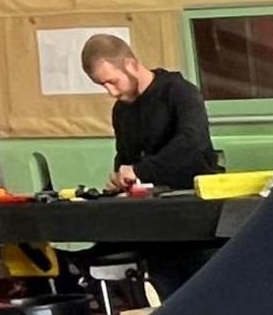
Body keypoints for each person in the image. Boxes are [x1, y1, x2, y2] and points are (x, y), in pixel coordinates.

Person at [81, 32, 216, 195]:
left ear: (131, 65)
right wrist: (119, 177)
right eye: (103, 85)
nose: (111, 92)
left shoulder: (179, 91)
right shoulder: (121, 109)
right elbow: (124, 157)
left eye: (113, 82)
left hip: (192, 196)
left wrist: (140, 170)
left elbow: (192, 143)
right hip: (148, 201)